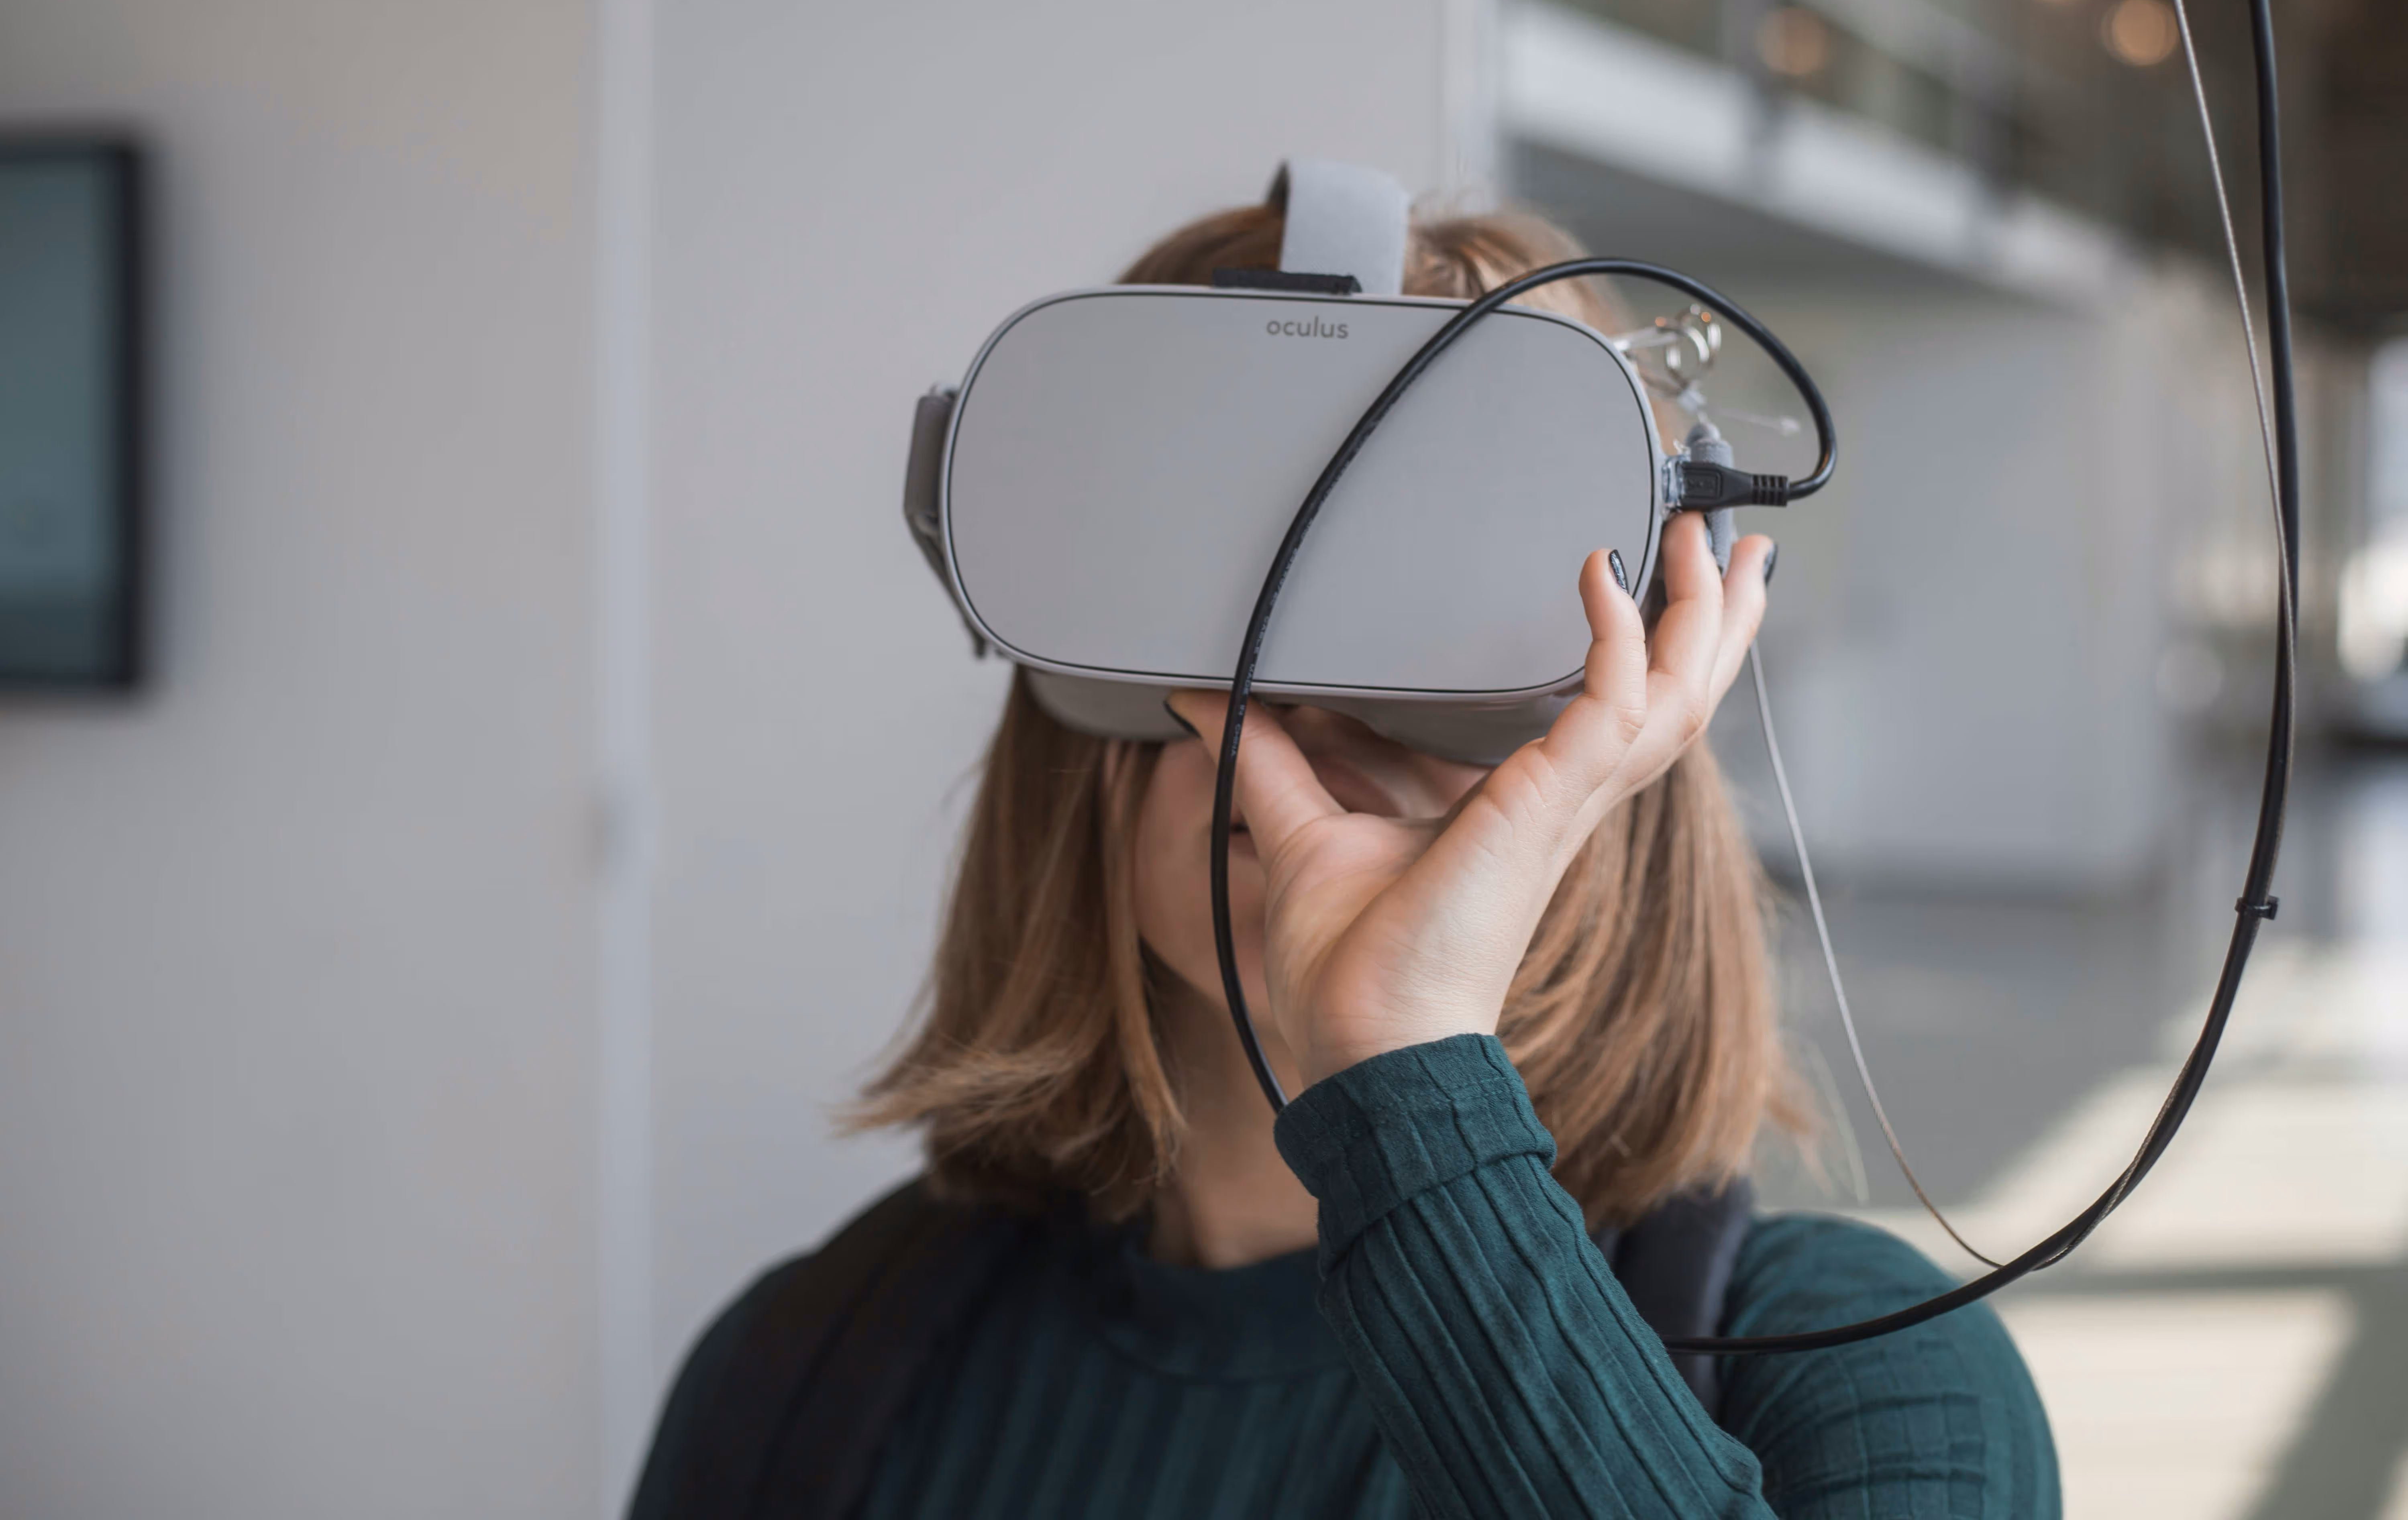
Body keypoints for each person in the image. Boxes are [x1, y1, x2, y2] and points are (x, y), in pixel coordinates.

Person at [631, 199, 2059, 1518]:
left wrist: (1403, 1067)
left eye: (1451, 618)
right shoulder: (807, 1373)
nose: (1306, 718)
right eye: (1225, 588)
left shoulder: (1862, 1378)